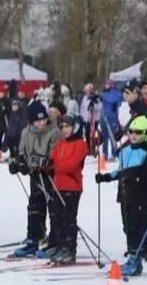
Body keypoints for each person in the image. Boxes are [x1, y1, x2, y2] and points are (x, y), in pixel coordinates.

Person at [96, 115, 147, 276]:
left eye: (137, 132)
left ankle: (135, 259)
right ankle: (133, 255)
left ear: (145, 133)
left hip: (140, 195)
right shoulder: (125, 150)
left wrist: (135, 175)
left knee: (135, 226)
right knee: (127, 227)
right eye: (131, 131)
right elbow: (120, 170)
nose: (133, 135)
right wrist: (106, 177)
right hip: (125, 194)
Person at [9, 100, 61, 258]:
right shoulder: (26, 132)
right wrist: (18, 164)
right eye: (38, 120)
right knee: (34, 206)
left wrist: (39, 164)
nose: (42, 122)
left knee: (54, 208)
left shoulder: (55, 131)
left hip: (51, 176)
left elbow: (54, 156)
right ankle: (34, 238)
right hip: (35, 176)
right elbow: (22, 153)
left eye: (44, 119)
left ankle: (55, 241)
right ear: (32, 121)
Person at [47, 115, 88, 265]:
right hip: (58, 186)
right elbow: (51, 160)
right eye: (62, 127)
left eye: (68, 127)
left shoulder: (80, 144)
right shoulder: (60, 144)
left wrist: (54, 164)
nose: (64, 130)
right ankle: (61, 246)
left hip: (72, 186)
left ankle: (70, 250)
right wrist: (44, 162)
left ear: (75, 128)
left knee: (68, 219)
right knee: (57, 219)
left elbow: (70, 165)